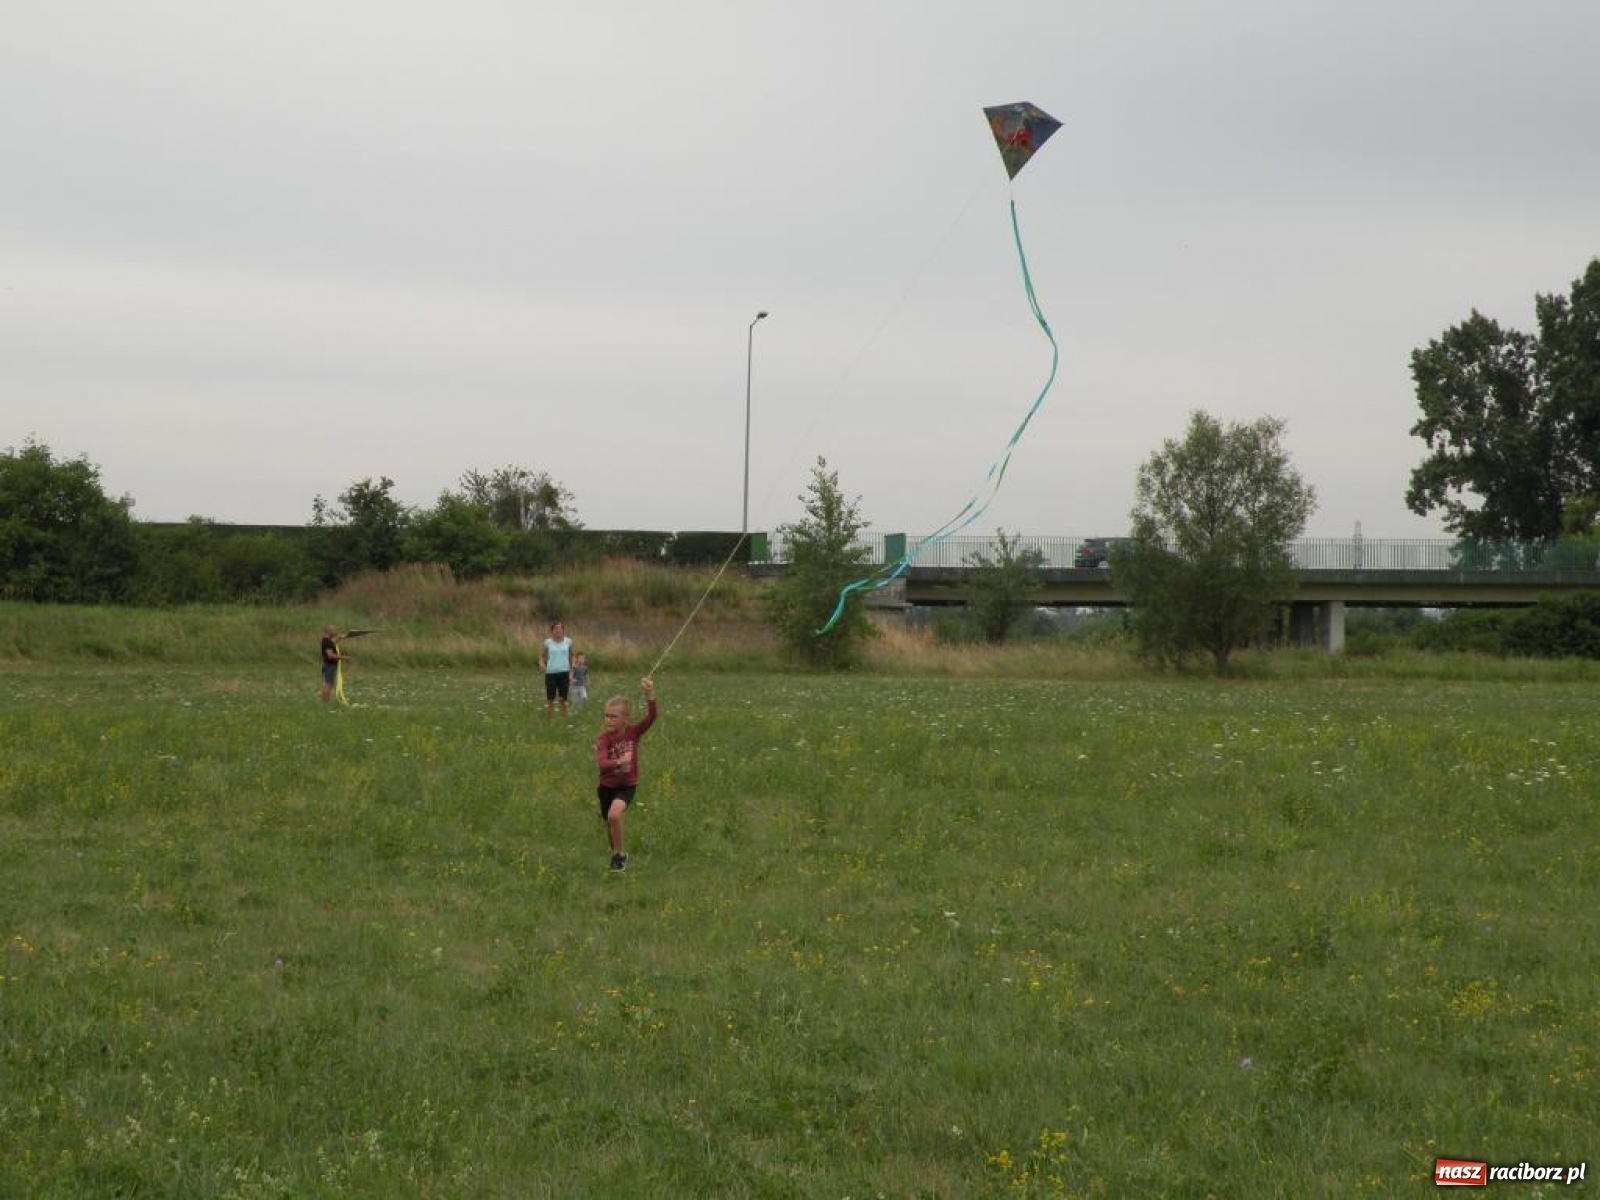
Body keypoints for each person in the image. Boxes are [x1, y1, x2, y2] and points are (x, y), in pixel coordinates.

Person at [593, 677, 657, 872]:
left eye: (613, 716)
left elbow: (651, 717)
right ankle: (616, 852)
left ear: (626, 719)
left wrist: (650, 695)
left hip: (626, 785)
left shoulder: (633, 732)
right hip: (606, 787)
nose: (608, 720)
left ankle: (619, 855)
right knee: (609, 825)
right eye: (606, 716)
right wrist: (618, 762)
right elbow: (602, 764)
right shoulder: (603, 739)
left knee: (614, 815)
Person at [539, 620, 574, 722]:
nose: (558, 631)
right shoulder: (547, 642)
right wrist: (542, 665)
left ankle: (563, 721)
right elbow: (541, 656)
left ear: (563, 630)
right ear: (552, 631)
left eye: (560, 629)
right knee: (550, 699)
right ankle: (550, 721)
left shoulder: (568, 641)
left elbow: (572, 656)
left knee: (563, 699)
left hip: (564, 672)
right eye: (556, 629)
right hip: (551, 673)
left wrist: (572, 671)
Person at [318, 625, 349, 702]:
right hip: (329, 666)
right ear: (329, 631)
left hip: (329, 666)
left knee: (329, 684)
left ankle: (323, 699)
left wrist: (341, 637)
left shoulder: (327, 641)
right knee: (328, 684)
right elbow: (330, 655)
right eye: (334, 630)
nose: (336, 631)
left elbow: (333, 643)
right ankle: (324, 701)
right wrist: (344, 658)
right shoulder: (327, 642)